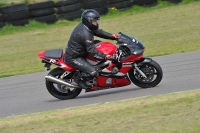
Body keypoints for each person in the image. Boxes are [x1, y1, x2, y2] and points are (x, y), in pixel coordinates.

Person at [64, 9, 120, 90]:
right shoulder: (85, 34)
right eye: (94, 21)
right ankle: (78, 78)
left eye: (96, 20)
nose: (96, 23)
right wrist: (107, 57)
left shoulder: (87, 27)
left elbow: (98, 32)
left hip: (82, 51)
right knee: (93, 71)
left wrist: (113, 36)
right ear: (88, 21)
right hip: (74, 57)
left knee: (100, 45)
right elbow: (93, 52)